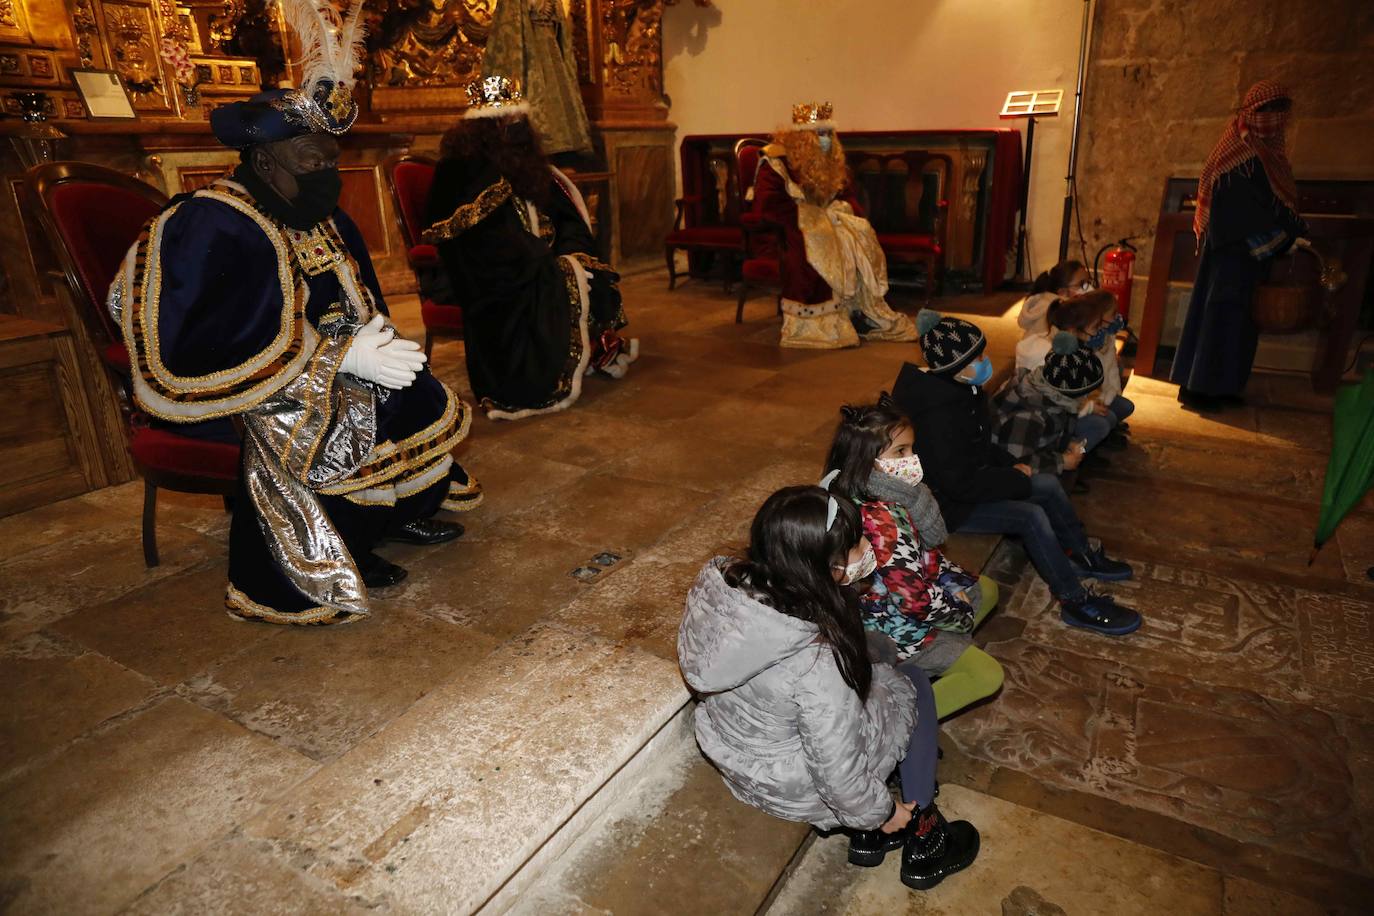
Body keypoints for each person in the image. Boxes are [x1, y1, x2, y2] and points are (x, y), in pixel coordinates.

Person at [111, 0, 479, 625]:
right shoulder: (209, 223)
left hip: (315, 364)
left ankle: (389, 516)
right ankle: (339, 550)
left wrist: (376, 340)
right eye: (313, 162)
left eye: (332, 161)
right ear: (263, 161)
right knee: (343, 417)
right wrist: (338, 359)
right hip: (240, 390)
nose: (328, 176)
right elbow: (199, 342)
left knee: (410, 390)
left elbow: (355, 295)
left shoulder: (320, 212)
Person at [678, 485, 980, 891]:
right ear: (824, 566)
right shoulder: (818, 664)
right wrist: (883, 811)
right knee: (913, 684)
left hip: (740, 750)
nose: (866, 546)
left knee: (880, 654)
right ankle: (923, 832)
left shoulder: (730, 590)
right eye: (855, 544)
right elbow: (837, 774)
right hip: (795, 784)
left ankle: (869, 841)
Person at [890, 310, 1142, 637]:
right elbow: (958, 484)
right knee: (1030, 516)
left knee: (1048, 484)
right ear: (956, 363)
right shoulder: (936, 414)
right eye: (978, 356)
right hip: (946, 506)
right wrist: (1014, 478)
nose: (985, 361)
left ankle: (1080, 553)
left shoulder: (963, 389)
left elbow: (982, 445)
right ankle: (1074, 602)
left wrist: (1010, 465)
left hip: (970, 483)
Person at [424, 76, 636, 420]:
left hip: (532, 258)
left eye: (518, 119)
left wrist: (571, 251)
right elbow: (472, 237)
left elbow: (563, 217)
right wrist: (537, 259)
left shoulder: (526, 164)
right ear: (485, 127)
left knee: (584, 270)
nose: (516, 126)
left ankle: (590, 350)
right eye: (507, 120)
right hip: (488, 273)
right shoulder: (461, 167)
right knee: (555, 280)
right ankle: (533, 378)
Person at [825, 400, 1005, 720]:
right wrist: (956, 608)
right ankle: (901, 723)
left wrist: (951, 587)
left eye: (911, 449)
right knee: (987, 675)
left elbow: (923, 555)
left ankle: (933, 665)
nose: (912, 460)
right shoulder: (882, 521)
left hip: (897, 600)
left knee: (985, 589)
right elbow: (913, 601)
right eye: (901, 452)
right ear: (868, 460)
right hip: (886, 629)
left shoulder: (886, 493)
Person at [1171, 79, 1308, 410]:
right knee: (1219, 319)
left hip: (1247, 255)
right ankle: (1199, 389)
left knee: (1242, 324)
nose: (1274, 118)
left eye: (1280, 110)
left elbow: (1271, 202)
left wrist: (1288, 229)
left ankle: (1226, 387)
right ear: (1253, 113)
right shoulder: (1239, 154)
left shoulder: (1266, 153)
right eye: (1268, 110)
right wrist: (1287, 234)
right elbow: (1243, 210)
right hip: (1231, 252)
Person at [748, 102, 918, 349]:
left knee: (856, 235)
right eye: (820, 134)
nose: (826, 140)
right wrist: (811, 217)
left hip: (826, 225)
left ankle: (858, 311)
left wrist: (843, 212)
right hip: (790, 231)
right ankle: (817, 325)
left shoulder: (829, 161)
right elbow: (768, 205)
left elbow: (846, 195)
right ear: (804, 137)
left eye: (829, 133)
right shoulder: (775, 160)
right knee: (818, 241)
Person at [1016, 291, 1133, 456]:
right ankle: (1074, 455)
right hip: (1046, 415)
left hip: (1066, 408)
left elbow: (1076, 389)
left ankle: (1083, 451)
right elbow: (1049, 400)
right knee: (1103, 424)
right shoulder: (1047, 354)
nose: (1098, 333)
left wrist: (1090, 402)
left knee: (1119, 409)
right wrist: (1088, 406)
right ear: (1074, 330)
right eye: (1095, 328)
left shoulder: (1072, 345)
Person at [482, 0, 593, 157]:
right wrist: (533, 5)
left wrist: (552, 11)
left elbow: (557, 19)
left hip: (547, 43)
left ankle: (559, 144)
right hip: (524, 44)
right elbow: (508, 22)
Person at [993, 333, 1103, 475]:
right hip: (1007, 473)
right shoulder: (1028, 416)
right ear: (1072, 393)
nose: (1087, 397)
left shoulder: (1055, 398)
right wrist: (1061, 462)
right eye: (1086, 393)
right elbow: (1016, 463)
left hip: (1035, 450)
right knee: (1049, 485)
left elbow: (1049, 434)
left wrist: (1067, 444)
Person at [1014, 259, 1092, 338]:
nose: (1089, 288)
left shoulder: (1044, 302)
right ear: (1062, 292)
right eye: (1082, 284)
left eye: (1088, 282)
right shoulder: (1059, 313)